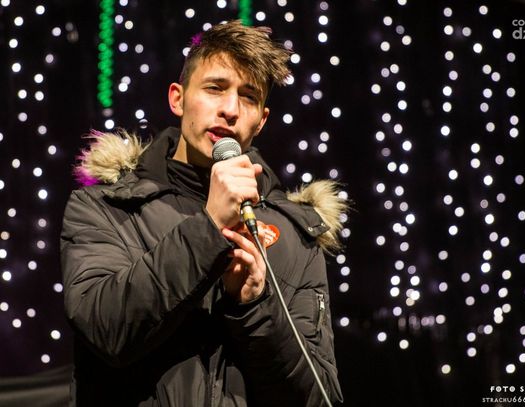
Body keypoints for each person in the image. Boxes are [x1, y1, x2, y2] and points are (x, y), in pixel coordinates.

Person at [61, 20, 345, 406]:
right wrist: (209, 228)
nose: (230, 109)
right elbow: (104, 329)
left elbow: (317, 397)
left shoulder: (297, 233)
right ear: (177, 99)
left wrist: (254, 305)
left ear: (261, 121)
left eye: (248, 97)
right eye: (215, 88)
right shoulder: (106, 206)